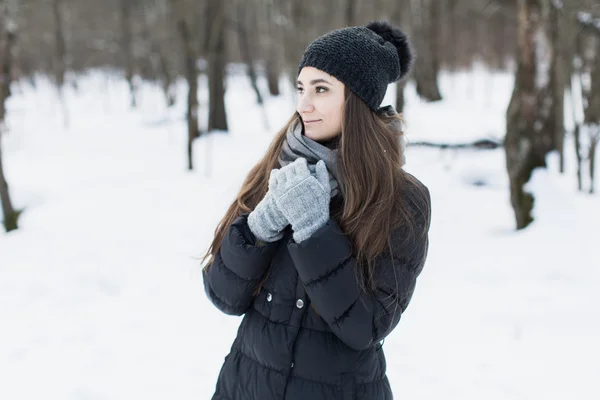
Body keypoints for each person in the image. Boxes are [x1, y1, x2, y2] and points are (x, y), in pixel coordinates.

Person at [201, 20, 432, 400]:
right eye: (301, 88)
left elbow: (365, 327)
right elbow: (224, 295)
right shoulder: (276, 168)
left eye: (321, 89)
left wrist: (314, 230)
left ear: (358, 99)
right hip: (245, 387)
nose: (303, 104)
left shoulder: (402, 200)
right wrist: (260, 226)